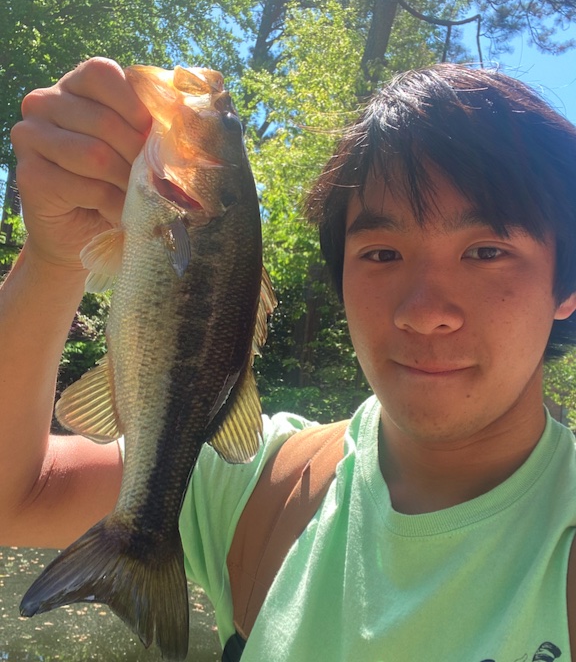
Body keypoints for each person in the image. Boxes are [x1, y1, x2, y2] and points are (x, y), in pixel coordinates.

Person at [2, 57, 576, 661]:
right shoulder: (262, 485)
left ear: (565, 285)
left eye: (486, 251)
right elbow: (16, 494)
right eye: (382, 254)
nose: (424, 310)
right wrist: (52, 260)